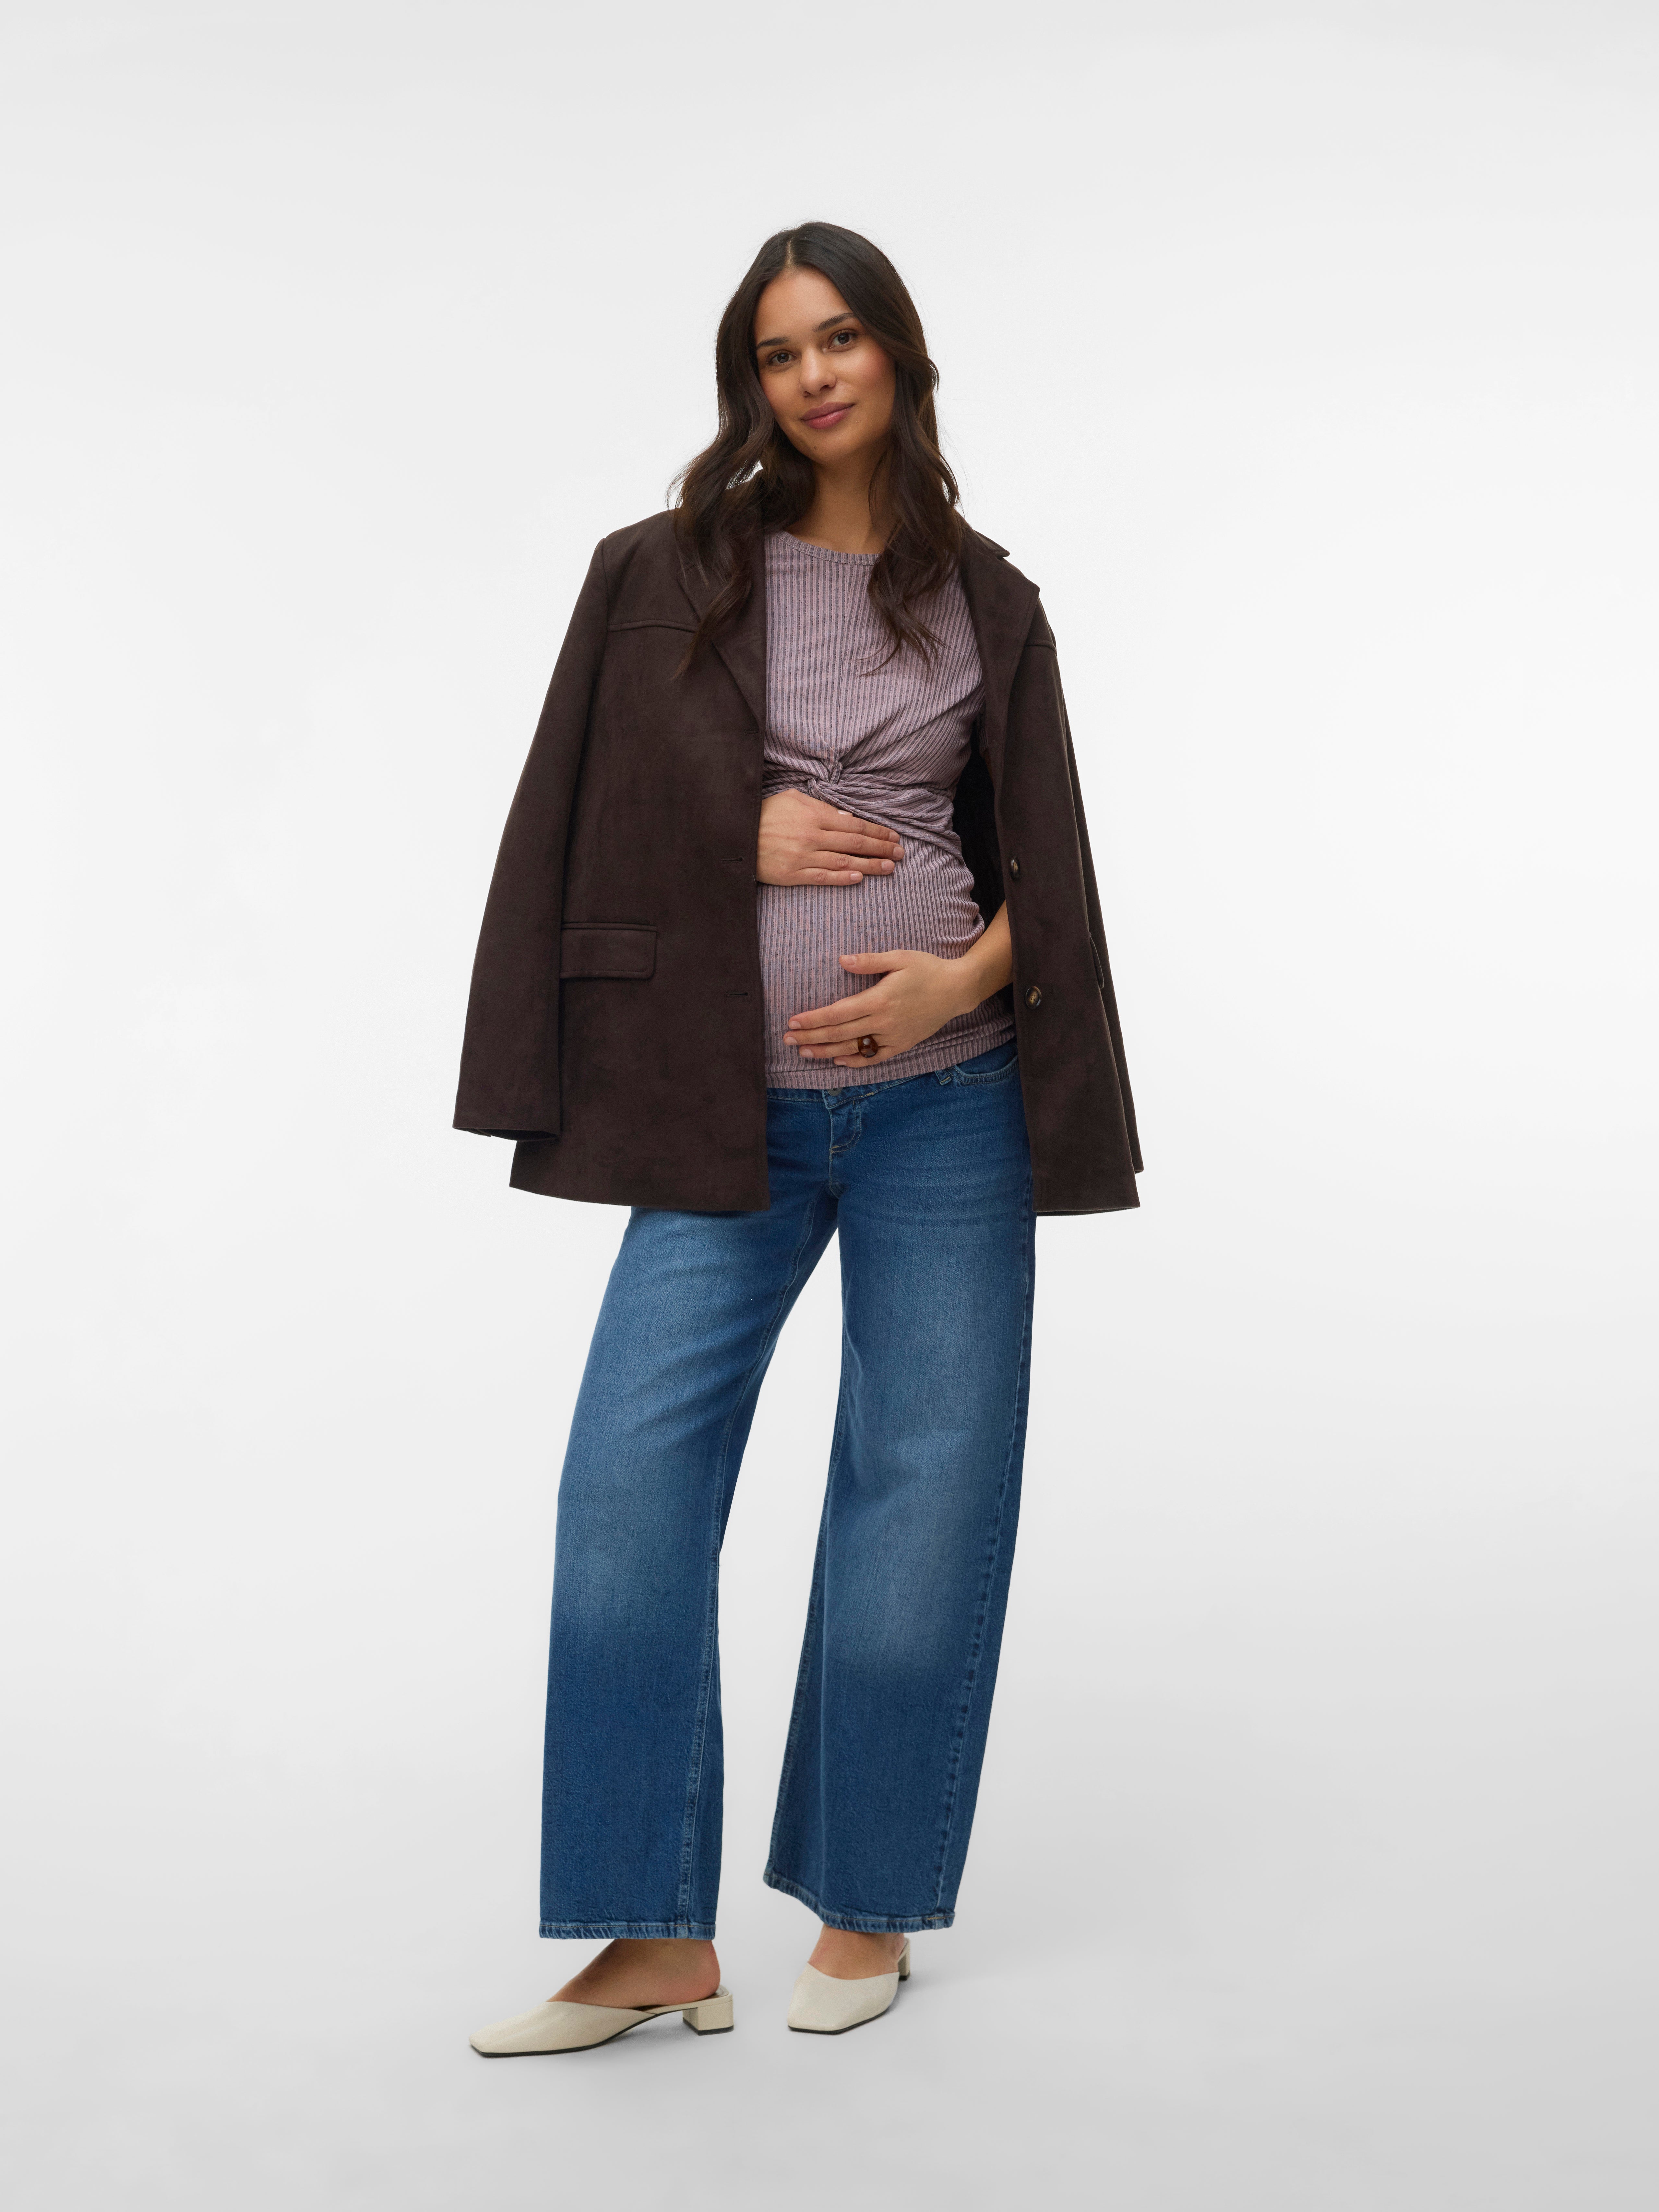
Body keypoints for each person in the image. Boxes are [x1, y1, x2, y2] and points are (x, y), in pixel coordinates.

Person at [456, 221, 1140, 2052]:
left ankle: (868, 1901)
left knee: (925, 1494)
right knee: (627, 1491)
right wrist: (730, 833)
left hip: (950, 1107)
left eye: (841, 339)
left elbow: (1051, 875)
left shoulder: (991, 600)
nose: (814, 375)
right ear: (747, 382)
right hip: (721, 1108)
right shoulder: (659, 572)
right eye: (777, 352)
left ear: (900, 354)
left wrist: (950, 986)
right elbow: (567, 814)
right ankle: (647, 1940)